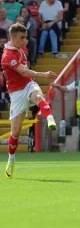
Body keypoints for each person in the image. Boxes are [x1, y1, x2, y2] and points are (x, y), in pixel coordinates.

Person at [1, 23, 57, 179]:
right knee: (16, 132)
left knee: (38, 96)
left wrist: (35, 79)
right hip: (16, 93)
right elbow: (23, 71)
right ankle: (11, 160)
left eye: (26, 37)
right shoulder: (7, 56)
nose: (25, 40)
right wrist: (44, 74)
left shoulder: (21, 49)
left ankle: (50, 118)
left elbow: (26, 73)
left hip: (28, 84)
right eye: (22, 37)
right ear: (12, 37)